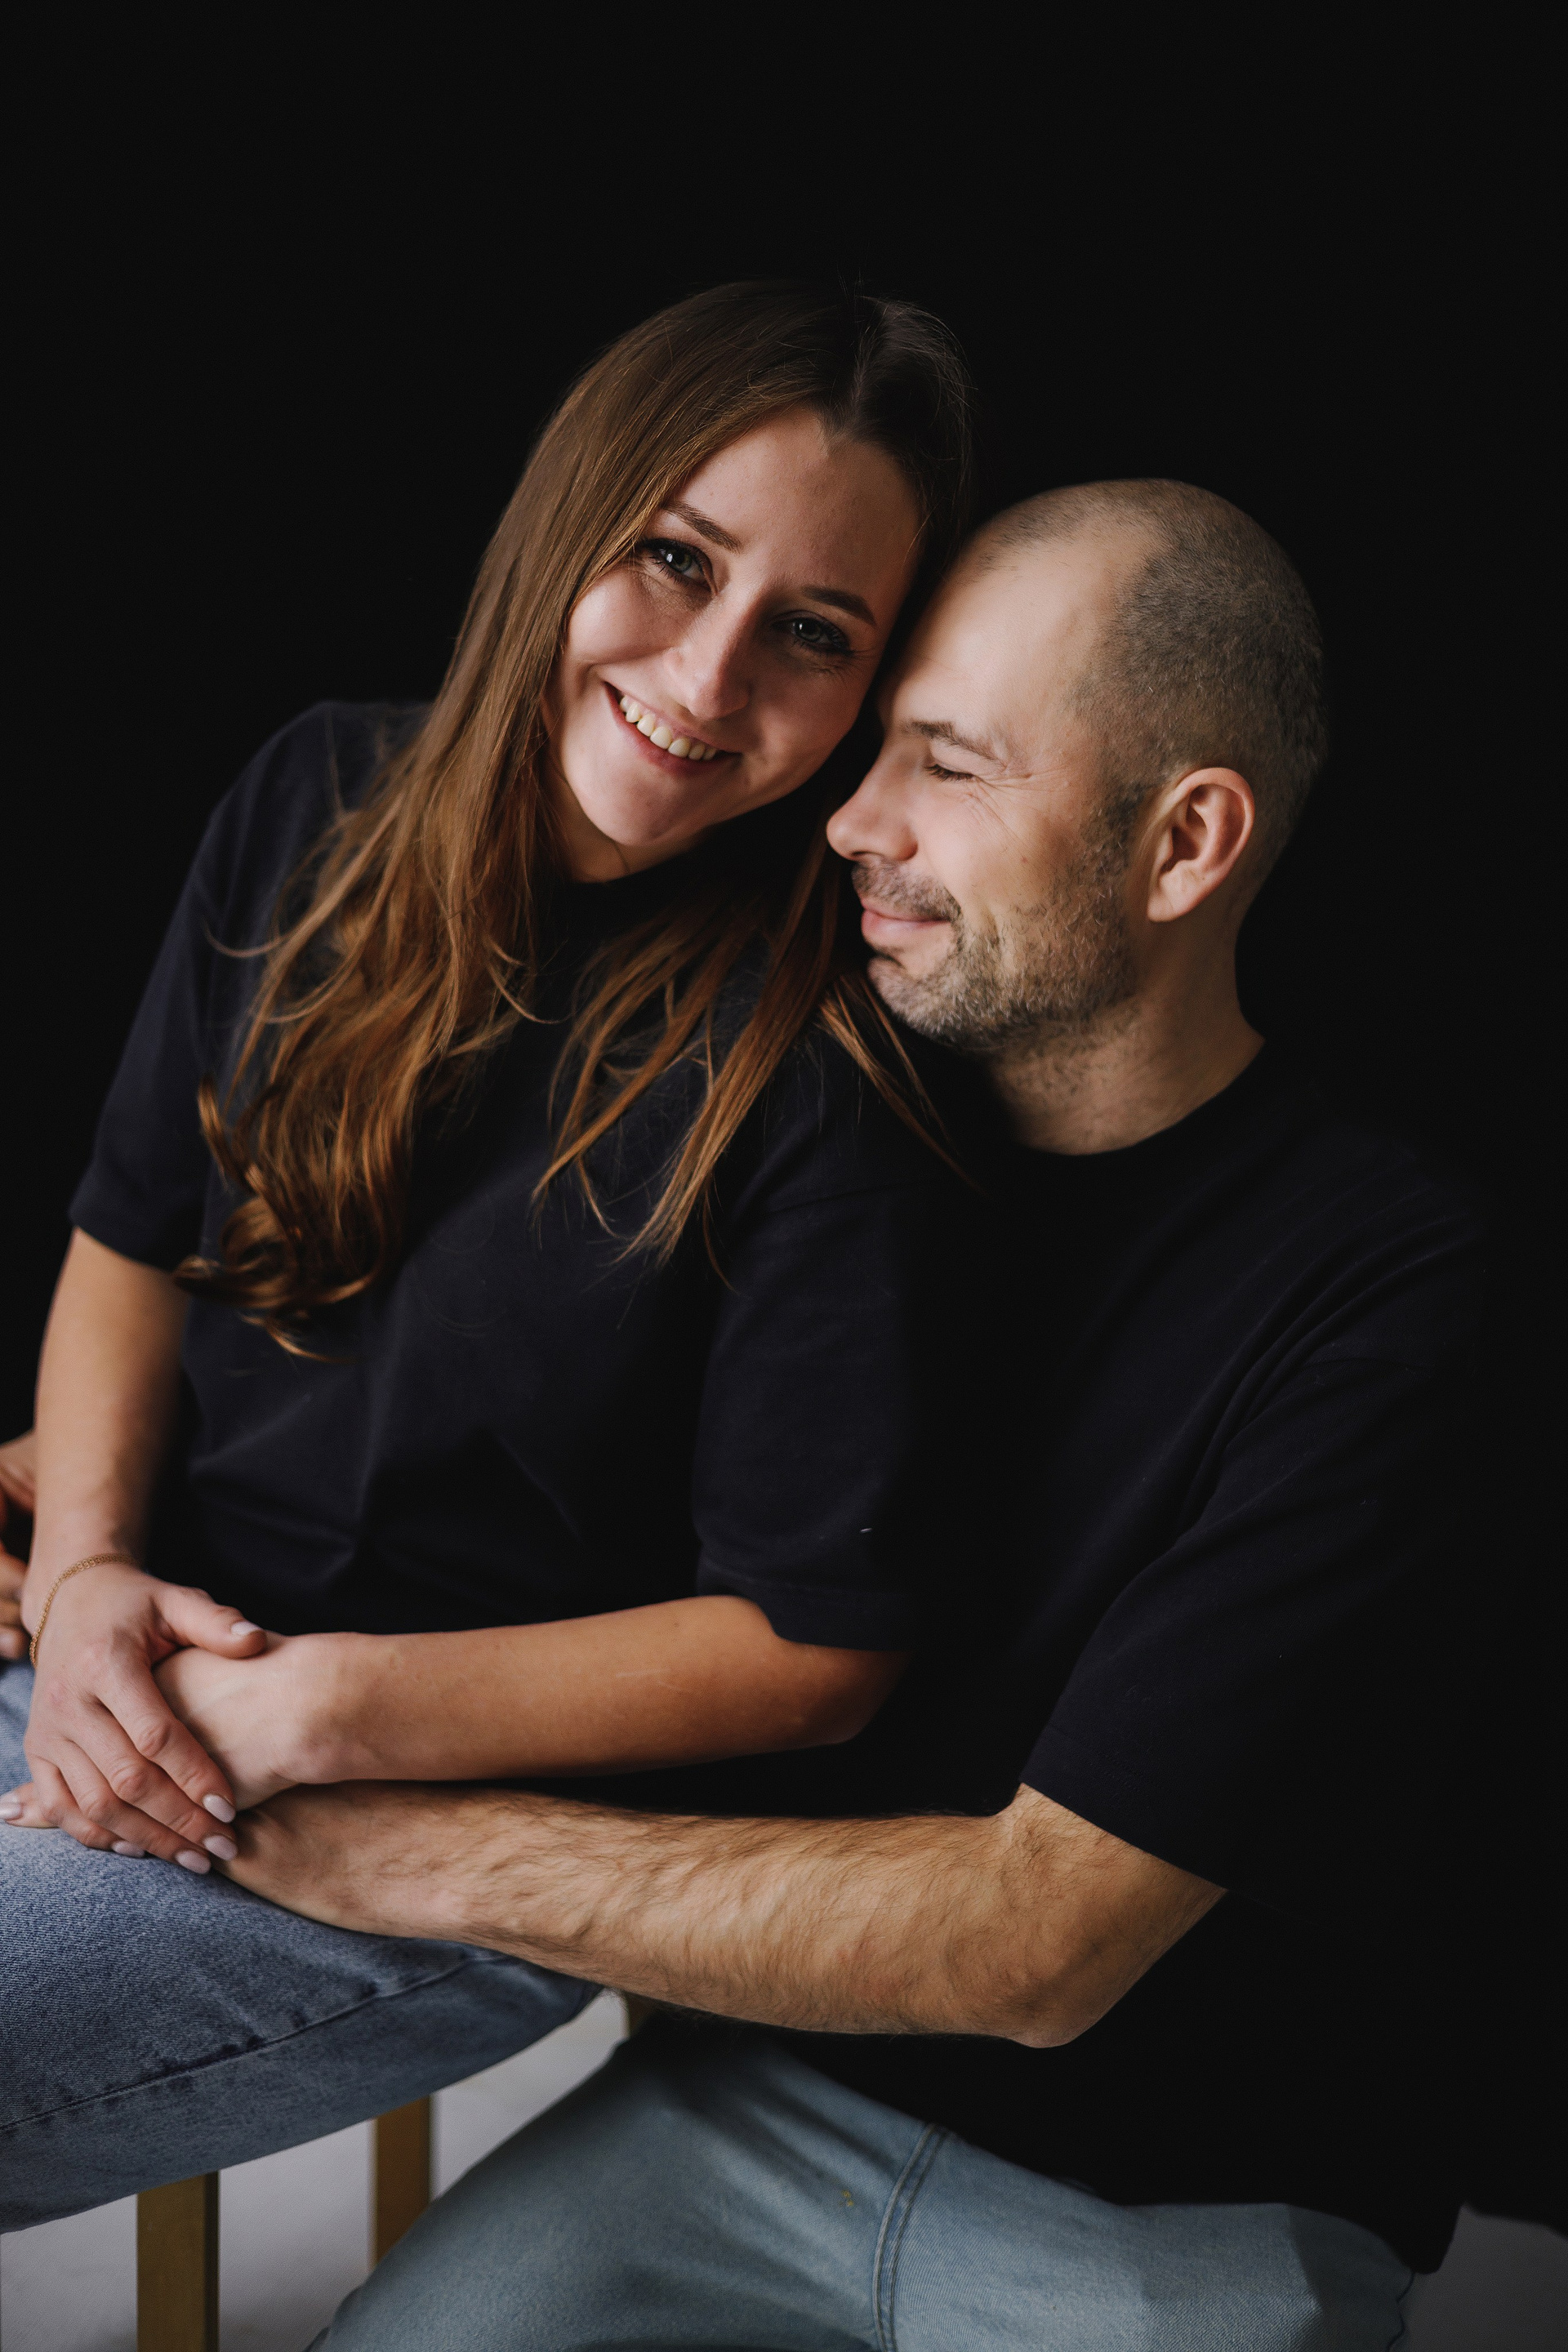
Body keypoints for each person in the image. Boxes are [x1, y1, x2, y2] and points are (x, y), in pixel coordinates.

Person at [216, 482, 1481, 2350]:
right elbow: (452, 1452)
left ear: (1186, 843)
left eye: (949, 765)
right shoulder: (812, 1139)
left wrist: (392, 1851)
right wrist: (89, 1515)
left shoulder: (1398, 1286)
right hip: (733, 2110)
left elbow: (1039, 1943)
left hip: (1184, 2211)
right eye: (876, 743)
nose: (851, 821)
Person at [0, 282, 996, 2229]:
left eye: (813, 633)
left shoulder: (828, 1071)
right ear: (566, 520)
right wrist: (95, 1569)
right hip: (123, 1660)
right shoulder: (316, 792)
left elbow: (815, 1655)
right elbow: (130, 1235)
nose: (707, 677)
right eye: (676, 558)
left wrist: (315, 1710)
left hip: (420, 1820)